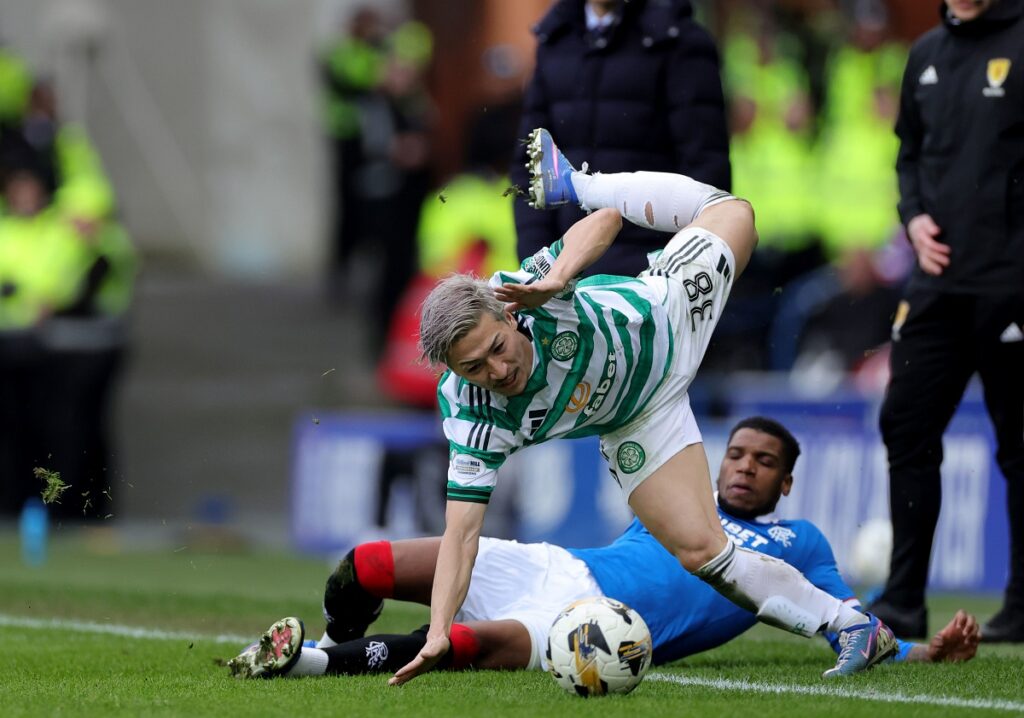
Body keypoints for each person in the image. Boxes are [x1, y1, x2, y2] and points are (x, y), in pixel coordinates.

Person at [358, 128, 895, 683]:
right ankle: (853, 627)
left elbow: (608, 222)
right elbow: (461, 535)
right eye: (474, 367)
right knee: (705, 554)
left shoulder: (524, 290)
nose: (496, 371)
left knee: (735, 212)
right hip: (639, 418)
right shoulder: (472, 415)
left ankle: (576, 180)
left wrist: (560, 276)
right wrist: (441, 629)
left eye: (497, 348)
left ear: (506, 316)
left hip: (671, 313)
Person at [227, 416, 980, 679]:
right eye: (738, 454)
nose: (745, 466)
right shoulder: (679, 498)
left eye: (764, 462)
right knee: (369, 566)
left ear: (786, 484)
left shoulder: (799, 542)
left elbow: (847, 622)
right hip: (556, 564)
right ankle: (328, 638)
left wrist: (927, 653)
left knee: (463, 644)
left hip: (595, 623)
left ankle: (310, 665)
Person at [868, 0, 1024, 643]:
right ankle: (903, 601)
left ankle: (1023, 601)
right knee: (904, 423)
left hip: (1012, 284)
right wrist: (913, 216)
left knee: (1019, 442)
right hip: (936, 286)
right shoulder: (926, 53)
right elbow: (909, 155)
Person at [510, 0, 730, 279]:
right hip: (564, 276)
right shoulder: (555, 41)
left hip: (652, 279)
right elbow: (530, 166)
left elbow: (706, 174)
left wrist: (677, 281)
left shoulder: (679, 40)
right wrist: (538, 265)